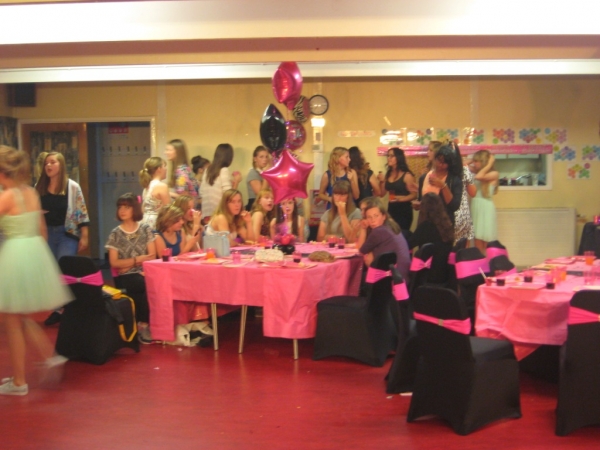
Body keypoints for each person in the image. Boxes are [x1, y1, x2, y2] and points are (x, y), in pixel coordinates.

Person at [0, 145, 73, 396]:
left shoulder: (7, 196)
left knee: (12, 319)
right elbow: (42, 230)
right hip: (32, 251)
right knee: (19, 316)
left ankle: (20, 382)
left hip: (15, 253)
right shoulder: (30, 192)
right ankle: (46, 356)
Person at [35, 151, 90, 326]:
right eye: (46, 163)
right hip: (47, 234)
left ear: (61, 165)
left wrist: (84, 235)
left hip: (66, 233)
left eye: (52, 162)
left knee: (64, 267)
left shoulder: (72, 187)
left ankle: (71, 308)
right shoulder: (39, 187)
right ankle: (58, 309)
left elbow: (81, 212)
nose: (49, 166)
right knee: (52, 272)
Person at [105, 193, 157, 345]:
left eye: (127, 207)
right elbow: (114, 262)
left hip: (144, 271)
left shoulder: (145, 229)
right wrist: (137, 260)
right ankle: (144, 325)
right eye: (120, 207)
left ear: (135, 209)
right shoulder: (115, 234)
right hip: (125, 276)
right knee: (143, 283)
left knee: (151, 282)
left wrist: (128, 264)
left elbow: (152, 256)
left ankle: (146, 324)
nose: (122, 210)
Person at [357, 196, 411, 281]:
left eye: (376, 216)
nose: (373, 220)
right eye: (369, 217)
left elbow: (361, 251)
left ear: (383, 216)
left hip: (392, 278)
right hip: (402, 276)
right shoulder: (391, 225)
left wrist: (363, 228)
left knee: (355, 278)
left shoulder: (378, 231)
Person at [407, 192, 455, 284]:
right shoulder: (446, 225)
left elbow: (408, 245)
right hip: (445, 275)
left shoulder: (425, 227)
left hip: (428, 276)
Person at [417, 144, 463, 225]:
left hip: (444, 224)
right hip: (425, 221)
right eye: (439, 160)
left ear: (449, 164)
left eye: (444, 162)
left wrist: (443, 186)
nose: (440, 164)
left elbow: (454, 206)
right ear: (434, 158)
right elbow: (421, 200)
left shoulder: (454, 180)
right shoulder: (424, 177)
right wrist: (419, 205)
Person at [377, 147, 417, 232]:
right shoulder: (388, 174)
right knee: (390, 233)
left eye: (392, 156)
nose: (389, 158)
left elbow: (414, 195)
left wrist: (400, 199)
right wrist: (382, 181)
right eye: (388, 156)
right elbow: (382, 194)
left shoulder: (407, 175)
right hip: (391, 209)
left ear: (398, 158)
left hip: (404, 210)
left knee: (402, 234)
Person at [200, 143, 241, 221]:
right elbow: (229, 195)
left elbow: (201, 192)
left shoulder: (207, 170)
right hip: (219, 214)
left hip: (206, 213)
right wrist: (237, 181)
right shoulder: (224, 170)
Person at [470, 150, 499, 253]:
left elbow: (479, 177)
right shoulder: (476, 171)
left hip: (486, 208)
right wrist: (471, 161)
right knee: (477, 240)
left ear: (483, 161)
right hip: (476, 207)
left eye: (477, 161)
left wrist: (489, 164)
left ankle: (489, 262)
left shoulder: (494, 174)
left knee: (487, 240)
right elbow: (463, 165)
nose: (474, 163)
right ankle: (480, 262)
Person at [452, 143, 476, 244]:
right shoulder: (464, 170)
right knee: (463, 249)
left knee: (446, 249)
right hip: (462, 213)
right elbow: (473, 193)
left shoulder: (440, 171)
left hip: (446, 214)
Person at [139, 156, 170, 230]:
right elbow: (168, 210)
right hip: (156, 223)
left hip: (144, 222)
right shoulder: (161, 186)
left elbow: (143, 209)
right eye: (164, 166)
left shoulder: (146, 187)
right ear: (159, 169)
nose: (166, 169)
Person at [245, 145, 270, 211]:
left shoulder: (261, 173)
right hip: (255, 206)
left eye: (266, 157)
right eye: (261, 157)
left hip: (264, 206)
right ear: (255, 159)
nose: (265, 159)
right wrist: (266, 174)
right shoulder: (253, 173)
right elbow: (260, 194)